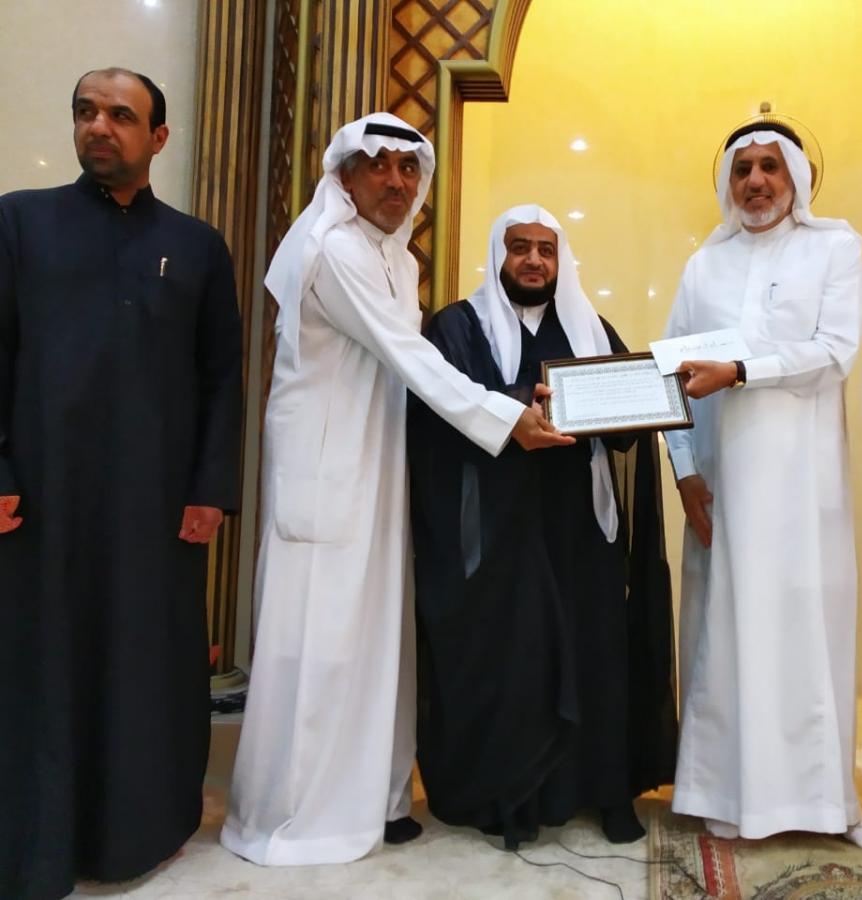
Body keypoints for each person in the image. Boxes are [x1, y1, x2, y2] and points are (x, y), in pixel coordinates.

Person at [220, 114, 570, 867]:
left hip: (380, 465)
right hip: (327, 468)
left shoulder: (399, 259)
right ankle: (294, 815)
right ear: (344, 177)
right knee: (321, 640)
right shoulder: (333, 249)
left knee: (378, 635)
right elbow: (408, 354)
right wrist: (506, 417)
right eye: (377, 165)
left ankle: (373, 800)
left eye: (409, 168)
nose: (395, 181)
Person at [0, 68, 243, 900]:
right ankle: (36, 842)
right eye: (85, 112)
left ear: (158, 137)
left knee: (143, 662)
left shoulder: (198, 245)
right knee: (43, 662)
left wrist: (211, 487)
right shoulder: (18, 223)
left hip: (157, 507)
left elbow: (222, 377)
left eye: (120, 115)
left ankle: (138, 832)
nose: (98, 127)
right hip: (42, 499)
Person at [408, 205, 677, 849]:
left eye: (546, 250)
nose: (533, 260)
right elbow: (434, 418)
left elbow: (628, 428)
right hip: (497, 530)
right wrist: (513, 411)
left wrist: (647, 402)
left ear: (561, 261)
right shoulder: (457, 327)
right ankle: (514, 798)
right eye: (520, 247)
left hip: (579, 525)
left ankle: (606, 790)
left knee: (595, 647)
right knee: (515, 656)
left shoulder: (592, 329)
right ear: (498, 255)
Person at [662, 118, 862, 844]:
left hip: (801, 485)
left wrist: (742, 370)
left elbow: (835, 350)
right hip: (721, 483)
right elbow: (669, 377)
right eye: (743, 168)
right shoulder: (705, 264)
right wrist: (686, 474)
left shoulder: (834, 248)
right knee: (724, 633)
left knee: (801, 631)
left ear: (796, 178)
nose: (755, 181)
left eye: (770, 167)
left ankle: (817, 802)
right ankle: (722, 794)